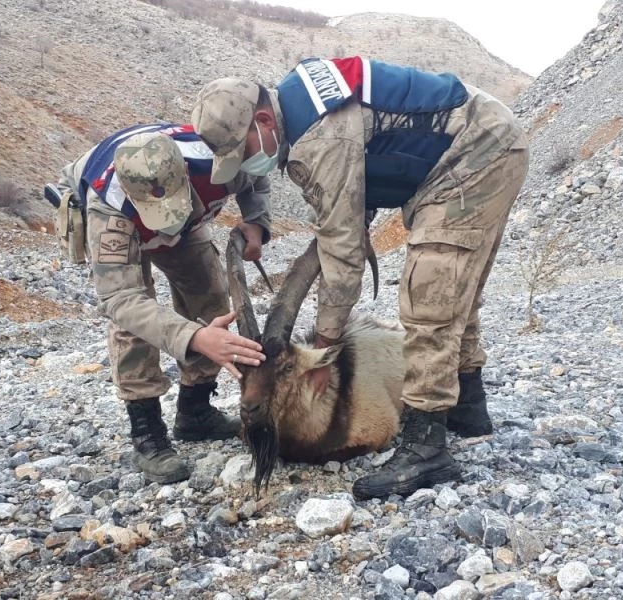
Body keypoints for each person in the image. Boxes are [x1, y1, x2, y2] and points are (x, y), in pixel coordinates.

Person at [190, 56, 529, 498]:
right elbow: (357, 187)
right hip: (487, 141)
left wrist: (325, 347)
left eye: (243, 151)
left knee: (431, 294)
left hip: (474, 154)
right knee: (455, 287)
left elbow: (342, 252)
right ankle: (468, 408)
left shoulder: (320, 138)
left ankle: (427, 447)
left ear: (264, 121)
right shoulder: (300, 109)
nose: (249, 163)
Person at [49, 123, 271, 484]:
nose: (165, 229)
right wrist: (193, 338)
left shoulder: (217, 159)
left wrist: (256, 222)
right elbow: (121, 300)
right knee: (134, 326)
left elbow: (258, 174)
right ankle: (147, 433)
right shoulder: (109, 210)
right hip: (124, 221)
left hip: (190, 219)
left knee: (211, 299)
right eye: (159, 213)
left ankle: (195, 413)